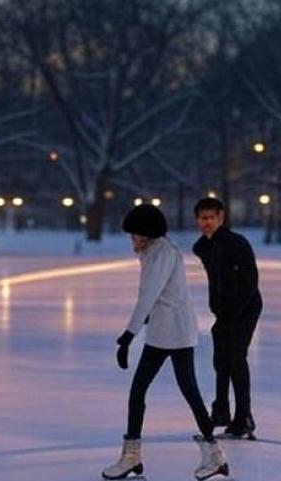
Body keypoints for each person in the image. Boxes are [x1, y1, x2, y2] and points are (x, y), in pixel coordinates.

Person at [103, 204, 228, 481]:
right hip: (167, 331)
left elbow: (148, 295)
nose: (132, 239)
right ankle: (135, 456)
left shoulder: (161, 254)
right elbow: (156, 296)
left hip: (173, 333)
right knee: (165, 392)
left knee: (170, 392)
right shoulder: (153, 252)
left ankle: (211, 455)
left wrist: (128, 335)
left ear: (146, 234)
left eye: (135, 234)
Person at [192, 197, 262, 440]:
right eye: (203, 218)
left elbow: (250, 281)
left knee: (235, 358)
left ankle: (244, 417)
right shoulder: (204, 247)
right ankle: (221, 410)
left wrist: (233, 311)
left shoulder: (236, 243)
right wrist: (219, 309)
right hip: (223, 311)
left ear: (221, 218)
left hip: (245, 308)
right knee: (221, 360)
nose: (207, 222)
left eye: (212, 217)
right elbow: (217, 281)